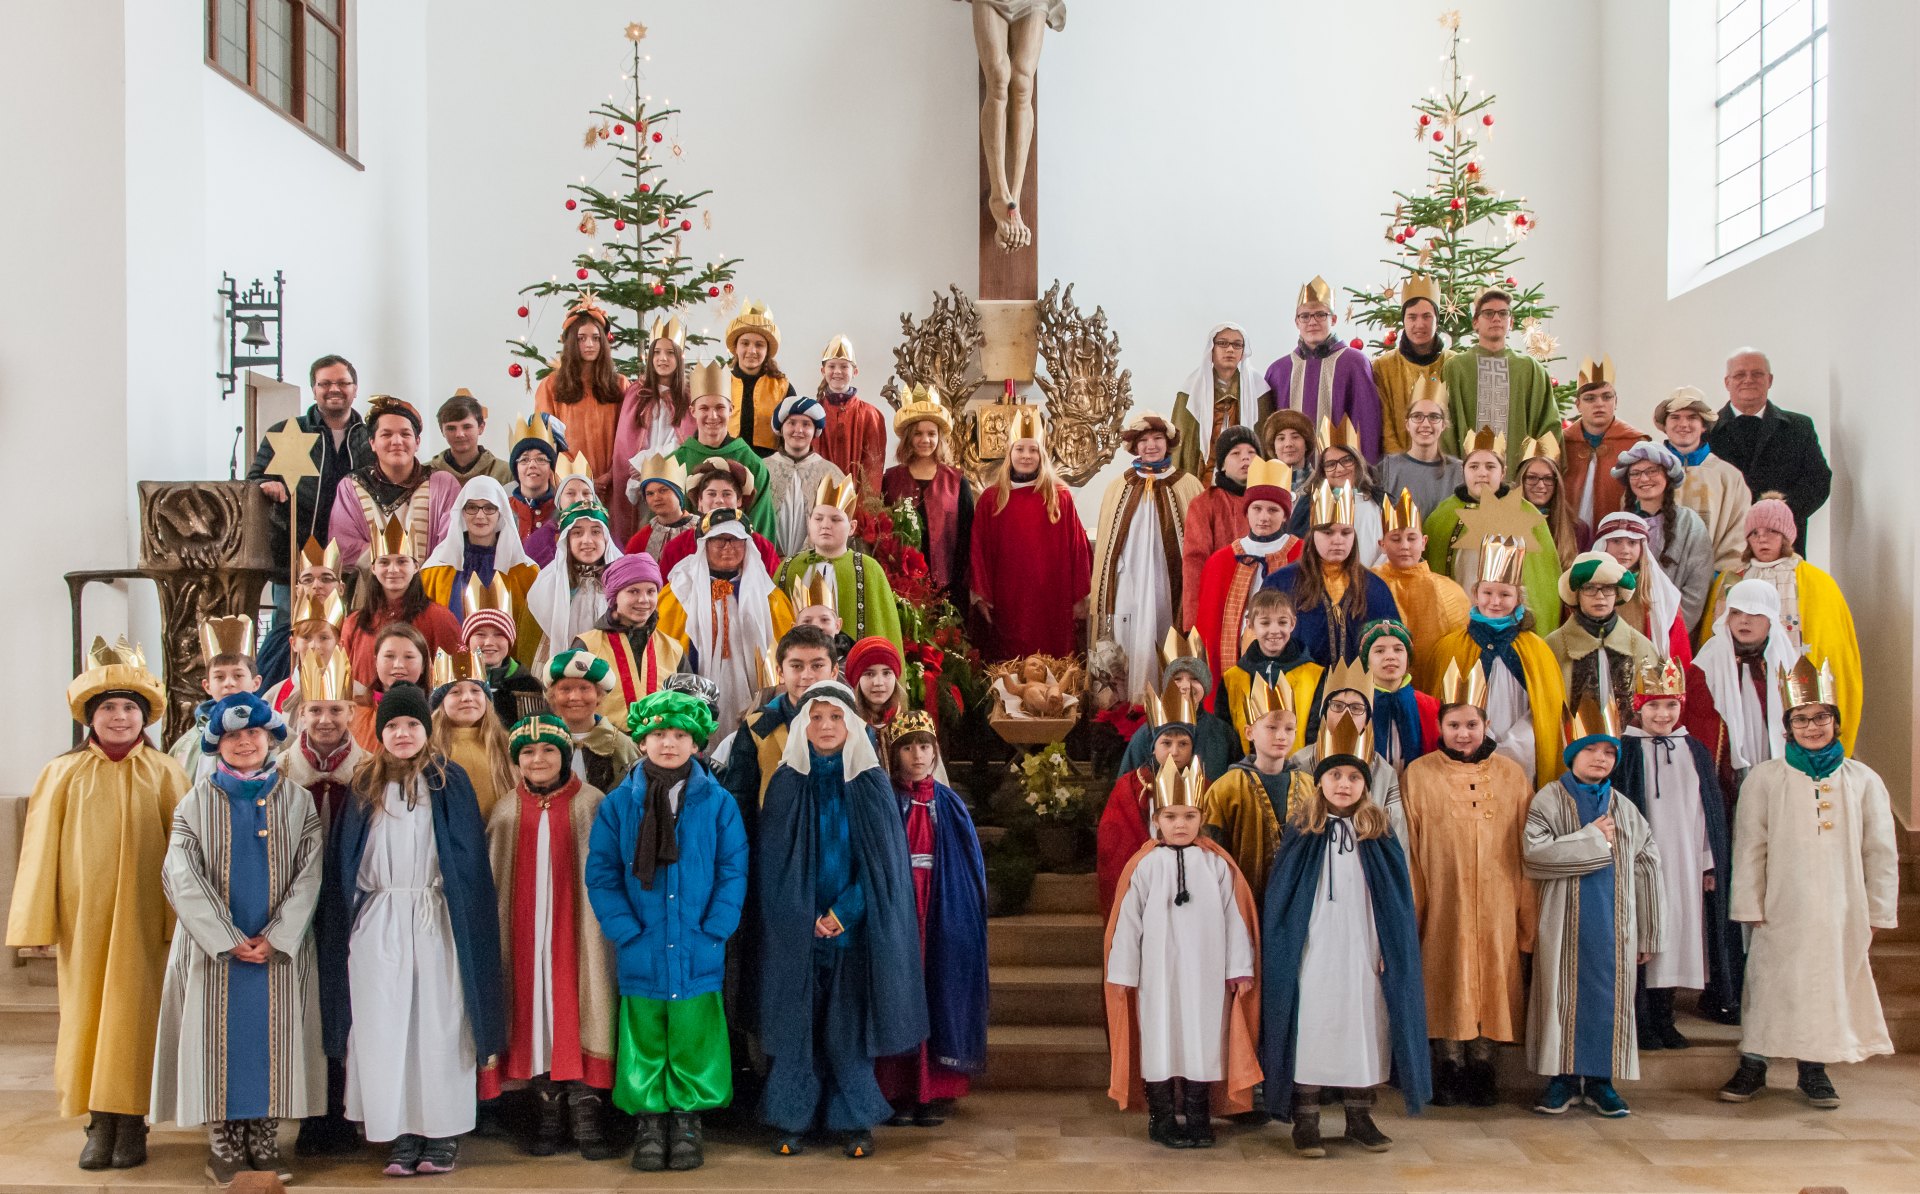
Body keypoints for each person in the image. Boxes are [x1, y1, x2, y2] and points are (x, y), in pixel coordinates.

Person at [8, 637, 187, 1170]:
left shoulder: (165, 774)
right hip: (82, 919)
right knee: (85, 1016)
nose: (119, 716)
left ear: (143, 717)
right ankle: (96, 1122)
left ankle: (132, 1122)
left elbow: (187, 853)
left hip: (143, 919)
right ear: (90, 715)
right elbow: (39, 852)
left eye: (129, 707)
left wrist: (183, 923)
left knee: (135, 1018)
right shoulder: (61, 773)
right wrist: (36, 923)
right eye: (107, 707)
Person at [327, 681, 503, 1176]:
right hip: (379, 919)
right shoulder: (363, 784)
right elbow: (347, 861)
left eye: (411, 725)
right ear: (380, 732)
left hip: (436, 917)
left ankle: (441, 1130)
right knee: (383, 1025)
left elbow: (467, 861)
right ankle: (399, 1129)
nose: (402, 734)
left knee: (439, 1022)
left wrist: (459, 913)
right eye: (393, 726)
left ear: (426, 730)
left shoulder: (451, 781)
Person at [151, 691, 321, 1188]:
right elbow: (181, 875)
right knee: (216, 1042)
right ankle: (224, 1141)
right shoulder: (195, 801)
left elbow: (310, 873)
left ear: (270, 738)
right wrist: (225, 937)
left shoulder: (298, 800)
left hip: (276, 950)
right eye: (233, 736)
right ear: (217, 744)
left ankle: (264, 1137)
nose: (245, 743)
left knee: (272, 1042)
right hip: (214, 954)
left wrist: (277, 934)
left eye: (254, 733)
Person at [1718, 656, 1899, 1109]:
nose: (1812, 727)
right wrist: (1749, 904)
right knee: (1769, 982)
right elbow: (1750, 845)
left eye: (1821, 718)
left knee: (1827, 984)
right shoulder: (1766, 778)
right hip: (1781, 904)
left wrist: (1878, 910)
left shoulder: (1863, 781)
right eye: (1802, 719)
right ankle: (1753, 1063)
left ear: (1835, 723)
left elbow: (1880, 850)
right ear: (1787, 728)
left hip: (1842, 906)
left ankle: (1814, 1069)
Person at [755, 681, 927, 1159]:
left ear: (852, 724)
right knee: (798, 1023)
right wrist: (804, 913)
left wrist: (843, 913)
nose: (826, 726)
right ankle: (793, 1117)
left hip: (853, 931)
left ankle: (852, 1119)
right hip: (798, 930)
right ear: (801, 725)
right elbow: (775, 862)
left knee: (847, 1027)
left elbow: (884, 863)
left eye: (836, 717)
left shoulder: (869, 782)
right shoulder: (788, 781)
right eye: (816, 717)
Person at [586, 693, 746, 1171]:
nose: (669, 743)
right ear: (641, 741)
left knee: (694, 1032)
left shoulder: (717, 803)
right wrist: (624, 929)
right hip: (643, 942)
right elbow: (603, 872)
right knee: (646, 1033)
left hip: (698, 941)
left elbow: (732, 867)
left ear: (697, 743)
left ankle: (688, 1117)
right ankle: (650, 1121)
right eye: (658, 734)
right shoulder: (620, 805)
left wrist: (718, 926)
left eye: (679, 735)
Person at [1261, 710, 1430, 1157]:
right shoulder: (1303, 830)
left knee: (1363, 1027)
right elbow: (1284, 898)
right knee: (1313, 1026)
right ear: (1319, 781)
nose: (1343, 784)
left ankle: (1359, 1114)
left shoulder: (1379, 832)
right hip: (1314, 949)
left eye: (1353, 777)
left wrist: (1388, 948)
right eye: (1335, 775)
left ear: (1365, 784)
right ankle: (1307, 1118)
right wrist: (1289, 944)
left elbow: (1393, 901)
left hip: (1363, 949)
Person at [1103, 758, 1260, 1149]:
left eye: (1189, 816)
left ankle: (1197, 1114)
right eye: (1170, 816)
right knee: (1160, 1039)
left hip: (1206, 974)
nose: (1180, 824)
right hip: (1157, 975)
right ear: (1157, 818)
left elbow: (1234, 915)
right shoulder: (1144, 866)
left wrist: (1239, 967)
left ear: (1200, 817)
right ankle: (1161, 1118)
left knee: (1204, 1040)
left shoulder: (1217, 865)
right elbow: (1129, 921)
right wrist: (1123, 973)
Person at [483, 714, 620, 1161]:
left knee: (582, 1005)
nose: (538, 759)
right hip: (523, 933)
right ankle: (547, 1112)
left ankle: (586, 1112)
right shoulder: (505, 810)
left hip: (578, 931)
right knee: (534, 1011)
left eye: (548, 751)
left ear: (564, 756)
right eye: (527, 752)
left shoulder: (592, 803)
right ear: (517, 760)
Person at [1399, 662, 1535, 1107]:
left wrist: (1524, 911)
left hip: (1498, 895)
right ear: (1440, 725)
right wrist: (1415, 906)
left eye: (1471, 724)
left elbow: (1525, 846)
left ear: (1486, 724)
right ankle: (1449, 1064)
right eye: (1454, 724)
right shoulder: (1419, 775)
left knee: (1493, 978)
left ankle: (1483, 1065)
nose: (1463, 733)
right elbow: (1412, 846)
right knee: (1445, 973)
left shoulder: (1513, 777)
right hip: (1443, 894)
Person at [1522, 696, 1665, 1118]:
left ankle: (1602, 1082)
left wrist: (1651, 932)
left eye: (1608, 752)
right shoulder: (1548, 799)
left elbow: (1648, 865)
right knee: (1560, 997)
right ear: (1572, 754)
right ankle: (1561, 1079)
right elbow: (1534, 855)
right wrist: (1590, 838)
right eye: (1591, 749)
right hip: (1564, 922)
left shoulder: (1625, 808)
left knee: (1609, 998)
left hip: (1615, 924)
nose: (1601, 759)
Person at [875, 711, 990, 1127]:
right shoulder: (886, 800)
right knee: (898, 994)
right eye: (907, 746)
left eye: (924, 746)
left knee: (937, 992)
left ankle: (931, 1091)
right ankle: (897, 1089)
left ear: (935, 751)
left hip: (941, 912)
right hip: (900, 911)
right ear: (895, 754)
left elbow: (969, 868)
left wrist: (964, 919)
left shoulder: (950, 803)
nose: (917, 755)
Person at [1614, 659, 1735, 1052]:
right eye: (1653, 706)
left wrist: (1707, 862)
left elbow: (1707, 812)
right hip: (1641, 864)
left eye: (1670, 706)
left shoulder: (1693, 750)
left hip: (1683, 861)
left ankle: (1665, 1018)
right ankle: (1640, 1020)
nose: (1662, 715)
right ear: (1638, 706)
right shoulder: (1623, 753)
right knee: (1643, 935)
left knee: (1677, 936)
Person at [280, 646, 366, 1157]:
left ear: (352, 714)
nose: (327, 718)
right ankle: (312, 1111)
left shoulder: (371, 771)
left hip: (354, 907)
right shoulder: (280, 772)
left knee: (348, 1005)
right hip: (298, 908)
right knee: (305, 1006)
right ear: (300, 715)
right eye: (316, 709)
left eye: (336, 708)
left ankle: (347, 1109)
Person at [1700, 500, 1862, 752]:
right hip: (1742, 685)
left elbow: (1833, 648)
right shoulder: (1730, 579)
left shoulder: (1817, 582)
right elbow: (1712, 637)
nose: (1762, 540)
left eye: (1771, 532)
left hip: (1797, 688)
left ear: (1787, 536)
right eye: (1755, 533)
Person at [1427, 536, 1567, 787]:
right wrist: (1477, 738)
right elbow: (1441, 706)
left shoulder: (1537, 650)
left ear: (1518, 598)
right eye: (1488, 592)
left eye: (1505, 594)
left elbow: (1546, 712)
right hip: (1466, 752)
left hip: (1525, 755)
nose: (1495, 601)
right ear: (1475, 593)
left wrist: (1515, 744)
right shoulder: (1451, 647)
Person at [1091, 414, 1205, 695]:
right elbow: (1107, 546)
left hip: (1168, 582)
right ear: (1134, 447)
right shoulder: (1119, 486)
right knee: (1126, 637)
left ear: (1168, 444)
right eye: (1144, 441)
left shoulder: (1188, 485)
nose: (1151, 446)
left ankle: (1170, 700)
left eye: (1157, 439)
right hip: (1127, 579)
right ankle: (1126, 705)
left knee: (1166, 630)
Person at [658, 510, 797, 735]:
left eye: (735, 540)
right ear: (705, 544)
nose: (728, 547)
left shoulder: (769, 596)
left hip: (753, 689)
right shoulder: (678, 592)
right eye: (719, 540)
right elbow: (663, 650)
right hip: (696, 688)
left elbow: (786, 650)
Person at [968, 409, 1092, 660]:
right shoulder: (992, 499)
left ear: (1042, 455)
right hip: (1008, 600)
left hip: (1052, 601)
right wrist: (981, 593)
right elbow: (978, 548)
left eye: (1033, 450)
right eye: (1020, 449)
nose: (1026, 456)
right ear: (1009, 454)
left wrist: (1080, 596)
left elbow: (1078, 548)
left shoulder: (1060, 497)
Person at [1422, 430, 1563, 632]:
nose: (1482, 473)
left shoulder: (1525, 513)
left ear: (1503, 472)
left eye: (1490, 466)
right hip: (1460, 624)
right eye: (1474, 466)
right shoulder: (1441, 516)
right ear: (1463, 470)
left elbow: (1543, 582)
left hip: (1510, 624)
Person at [249, 354, 371, 576]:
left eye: (343, 383)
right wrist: (266, 484)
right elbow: (253, 481)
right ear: (314, 390)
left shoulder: (372, 438)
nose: (334, 389)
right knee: (292, 613)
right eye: (325, 383)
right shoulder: (285, 433)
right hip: (294, 558)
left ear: (355, 389)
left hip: (356, 561)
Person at [1706, 348, 1831, 554]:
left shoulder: (1799, 427)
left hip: (1784, 544)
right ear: (1727, 382)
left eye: (1757, 374)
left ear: (1770, 380)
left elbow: (1818, 480)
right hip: (1723, 543)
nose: (1748, 380)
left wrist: (1777, 518)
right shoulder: (1706, 430)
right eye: (1739, 375)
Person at [1263, 481, 1400, 666]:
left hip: (1361, 691)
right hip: (1301, 688)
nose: (1338, 540)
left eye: (1346, 533)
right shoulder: (1281, 584)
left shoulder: (1375, 587)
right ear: (1312, 536)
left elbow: (1394, 647)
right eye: (1328, 532)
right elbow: (1262, 647)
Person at [1201, 673, 1312, 895]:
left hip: (1296, 897)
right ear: (1249, 732)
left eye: (1289, 729)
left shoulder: (1310, 787)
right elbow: (1211, 851)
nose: (1281, 736)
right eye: (1271, 727)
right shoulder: (1226, 789)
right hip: (1241, 897)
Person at [1193, 458, 1299, 689]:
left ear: (1285, 515)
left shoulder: (1301, 555)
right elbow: (1208, 628)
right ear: (1246, 512)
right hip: (1236, 659)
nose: (1264, 517)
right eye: (1257, 508)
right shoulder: (1220, 561)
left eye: (1273, 510)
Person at [1098, 687, 1203, 917]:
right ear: (1153, 746)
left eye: (1183, 744)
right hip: (1145, 883)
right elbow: (1115, 841)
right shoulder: (1131, 786)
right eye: (1166, 743)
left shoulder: (1204, 787)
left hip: (1194, 883)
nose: (1174, 751)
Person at [328, 394, 460, 570]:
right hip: (370, 591)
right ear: (372, 443)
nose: (397, 441)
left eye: (405, 434)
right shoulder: (352, 486)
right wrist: (392, 572)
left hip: (428, 590)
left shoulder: (443, 484)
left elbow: (452, 542)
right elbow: (343, 547)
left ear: (417, 442)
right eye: (386, 434)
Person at [1439, 288, 1561, 472]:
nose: (1496, 318)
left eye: (1503, 313)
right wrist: (1454, 472)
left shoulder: (1530, 369)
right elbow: (1444, 425)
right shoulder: (1456, 368)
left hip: (1518, 479)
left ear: (1510, 322)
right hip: (1466, 479)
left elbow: (1549, 427)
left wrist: (1535, 476)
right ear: (1475, 323)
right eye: (1488, 313)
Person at [1693, 579, 1802, 782]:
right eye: (1735, 612)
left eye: (1754, 613)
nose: (1743, 620)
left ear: (1771, 618)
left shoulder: (1785, 662)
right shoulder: (1707, 664)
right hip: (1724, 774)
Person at [1262, 275, 1383, 460]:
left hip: (1341, 473)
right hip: (1288, 478)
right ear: (1297, 322)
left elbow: (1367, 423)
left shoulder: (1353, 363)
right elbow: (1268, 432)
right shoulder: (1279, 371)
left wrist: (1364, 476)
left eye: (1320, 314)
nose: (1312, 322)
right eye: (1305, 316)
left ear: (1333, 319)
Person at [420, 475, 540, 658]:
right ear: (462, 511)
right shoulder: (436, 570)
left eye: (489, 508)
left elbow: (530, 634)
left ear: (501, 512)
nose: (480, 515)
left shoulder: (525, 571)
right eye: (472, 507)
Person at [1283, 659, 1406, 837]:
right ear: (1324, 712)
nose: (1346, 713)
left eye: (1356, 708)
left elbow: (1396, 835)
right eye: (1337, 706)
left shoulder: (1383, 772)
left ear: (1367, 718)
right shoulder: (1298, 763)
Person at [339, 514, 463, 687]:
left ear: (416, 566)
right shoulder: (354, 623)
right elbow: (344, 681)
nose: (393, 569)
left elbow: (455, 679)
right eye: (384, 562)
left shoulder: (439, 618)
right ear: (373, 568)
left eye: (402, 561)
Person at [882, 390, 975, 611]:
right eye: (918, 434)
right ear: (908, 438)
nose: (925, 440)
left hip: (948, 585)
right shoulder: (891, 479)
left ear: (939, 438)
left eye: (931, 434)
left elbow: (967, 535)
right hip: (902, 584)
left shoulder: (957, 482)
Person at [1545, 552, 1660, 730]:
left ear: (1617, 592)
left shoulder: (1641, 647)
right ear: (1577, 593)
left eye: (1607, 588)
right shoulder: (1554, 647)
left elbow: (1654, 708)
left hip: (1629, 751)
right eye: (1589, 588)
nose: (1600, 597)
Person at [612, 316, 697, 546]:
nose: (663, 358)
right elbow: (624, 442)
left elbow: (685, 441)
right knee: (642, 531)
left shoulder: (687, 396)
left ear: (679, 357)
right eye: (657, 352)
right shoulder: (636, 393)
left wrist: (659, 467)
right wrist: (641, 468)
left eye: (670, 353)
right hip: (639, 477)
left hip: (674, 476)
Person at [1370, 489, 1470, 686]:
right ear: (1382, 544)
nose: (1405, 546)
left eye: (1412, 538)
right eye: (1396, 539)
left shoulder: (1449, 591)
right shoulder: (1369, 583)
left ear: (1424, 542)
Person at [572, 552, 686, 722]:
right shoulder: (588, 645)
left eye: (651, 591)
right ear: (614, 597)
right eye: (633, 591)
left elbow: (687, 705)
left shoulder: (673, 649)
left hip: (660, 745)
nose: (643, 599)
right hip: (601, 745)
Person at [535, 295, 628, 504]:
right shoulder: (551, 386)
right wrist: (579, 479)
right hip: (570, 485)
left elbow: (628, 438)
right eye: (581, 338)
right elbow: (547, 443)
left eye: (596, 338)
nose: (589, 344)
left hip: (612, 485)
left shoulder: (620, 384)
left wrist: (612, 474)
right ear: (571, 342)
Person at [1114, 633, 1241, 783]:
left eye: (1195, 679)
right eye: (1177, 679)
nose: (1186, 686)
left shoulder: (1223, 733)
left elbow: (1236, 785)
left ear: (1205, 685)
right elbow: (1125, 788)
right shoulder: (1147, 734)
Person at [1613, 441, 1713, 630]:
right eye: (1635, 473)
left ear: (1667, 475)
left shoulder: (1690, 524)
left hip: (1673, 630)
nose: (1644, 479)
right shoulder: (1618, 525)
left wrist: (1670, 630)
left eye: (1652, 471)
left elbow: (1696, 589)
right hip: (1625, 630)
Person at [674, 359, 777, 536]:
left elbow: (761, 525)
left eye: (720, 407)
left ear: (731, 409)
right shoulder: (676, 462)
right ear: (693, 411)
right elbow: (669, 520)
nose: (712, 416)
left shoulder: (753, 463)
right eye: (704, 408)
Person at [1655, 386, 1750, 575]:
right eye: (1675, 417)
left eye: (1692, 417)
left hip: (1712, 579)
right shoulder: (1648, 473)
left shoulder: (1728, 476)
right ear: (1664, 425)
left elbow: (1738, 533)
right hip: (1658, 581)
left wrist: (1716, 576)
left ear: (1704, 425)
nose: (1683, 424)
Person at [1211, 589, 1322, 753]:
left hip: (1298, 771)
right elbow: (1226, 732)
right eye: (1265, 623)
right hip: (1247, 770)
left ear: (1293, 624)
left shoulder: (1313, 675)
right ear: (1250, 625)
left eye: (1282, 622)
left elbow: (1316, 729)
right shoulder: (1232, 678)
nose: (1275, 630)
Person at [1180, 426, 1264, 631]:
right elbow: (1195, 562)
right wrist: (1194, 621)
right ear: (1223, 465)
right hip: (1221, 604)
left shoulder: (1270, 501)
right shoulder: (1204, 504)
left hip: (1263, 605)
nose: (1246, 459)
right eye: (1235, 453)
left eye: (1251, 453)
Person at [167, 616, 263, 784]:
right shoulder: (190, 743)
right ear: (207, 686)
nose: (229, 683)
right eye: (219, 677)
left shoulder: (274, 731)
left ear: (256, 683)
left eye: (238, 675)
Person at [1282, 417, 1387, 567]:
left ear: (1358, 462)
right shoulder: (1309, 504)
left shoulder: (1378, 501)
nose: (1339, 469)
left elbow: (1390, 546)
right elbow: (1298, 549)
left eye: (1346, 460)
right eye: (1331, 464)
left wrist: (1373, 577)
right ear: (1323, 471)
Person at [1171, 323, 1270, 478]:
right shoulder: (1191, 389)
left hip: (1246, 478)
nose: (1230, 349)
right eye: (1222, 343)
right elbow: (1181, 445)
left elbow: (1266, 444)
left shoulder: (1258, 388)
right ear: (1212, 348)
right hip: (1202, 476)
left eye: (1237, 344)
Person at [528, 501, 622, 664]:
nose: (587, 540)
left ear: (606, 538)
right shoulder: (548, 582)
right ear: (567, 540)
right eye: (577, 533)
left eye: (595, 532)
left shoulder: (622, 580)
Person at [1371, 276, 1455, 458]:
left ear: (1437, 320)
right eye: (1412, 317)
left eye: (1427, 316)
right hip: (1398, 466)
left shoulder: (1453, 364)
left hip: (1446, 466)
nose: (1420, 324)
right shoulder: (1383, 366)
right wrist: (1401, 463)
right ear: (1404, 320)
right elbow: (1384, 424)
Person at [1593, 512, 1692, 665]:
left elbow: (1678, 649)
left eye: (1632, 543)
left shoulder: (1662, 593)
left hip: (1645, 675)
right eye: (1617, 541)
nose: (1625, 549)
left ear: (1642, 547)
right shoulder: (1587, 588)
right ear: (1603, 544)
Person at [657, 457, 783, 577]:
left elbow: (775, 592)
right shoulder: (678, 547)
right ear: (700, 502)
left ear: (739, 501)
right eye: (711, 494)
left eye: (727, 494)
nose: (719, 500)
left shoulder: (760, 547)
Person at [1560, 356, 1647, 528]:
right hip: (1568, 536)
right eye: (1590, 398)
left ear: (1616, 401)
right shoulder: (1563, 443)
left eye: (1606, 397)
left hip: (1617, 536)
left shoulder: (1635, 444)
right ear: (1578, 405)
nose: (1599, 404)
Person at [764, 393, 851, 558]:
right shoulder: (763, 468)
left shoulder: (831, 473)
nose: (799, 430)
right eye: (791, 423)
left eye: (806, 424)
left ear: (815, 431)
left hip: (814, 561)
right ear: (781, 429)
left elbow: (840, 525)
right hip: (769, 561)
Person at [428, 651, 514, 818]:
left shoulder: (504, 744)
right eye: (455, 692)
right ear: (441, 703)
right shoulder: (430, 749)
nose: (467, 698)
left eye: (475, 690)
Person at [541, 650, 641, 793]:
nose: (574, 697)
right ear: (553, 696)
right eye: (565, 689)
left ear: (599, 695)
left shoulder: (622, 747)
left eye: (584, 688)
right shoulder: (539, 741)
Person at [258, 540, 347, 696]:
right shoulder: (277, 639)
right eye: (307, 580)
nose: (316, 585)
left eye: (326, 579)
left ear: (341, 588)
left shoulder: (357, 631)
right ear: (297, 589)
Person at [458, 576, 544, 725]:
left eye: (499, 634)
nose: (489, 642)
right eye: (480, 634)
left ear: (509, 641)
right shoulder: (452, 684)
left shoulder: (528, 686)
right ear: (467, 640)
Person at [1377, 384, 1464, 519]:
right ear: (1407, 424)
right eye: (1417, 416)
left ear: (1443, 425)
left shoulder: (1460, 470)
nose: (1425, 424)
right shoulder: (1387, 468)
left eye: (1434, 417)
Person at [1360, 619, 1437, 770]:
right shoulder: (1357, 707)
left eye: (1398, 649)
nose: (1390, 656)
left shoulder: (1430, 707)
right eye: (1379, 650)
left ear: (1408, 659)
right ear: (1367, 662)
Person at [816, 335, 885, 494]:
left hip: (857, 503)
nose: (837, 371)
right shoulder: (814, 414)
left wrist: (862, 508)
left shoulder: (871, 415)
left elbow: (873, 467)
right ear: (823, 371)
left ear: (855, 371)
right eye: (831, 366)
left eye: (844, 366)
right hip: (820, 501)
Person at [1516, 438, 1590, 568]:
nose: (1540, 485)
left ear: (1557, 484)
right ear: (1521, 480)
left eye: (1548, 478)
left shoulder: (1577, 529)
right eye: (1532, 477)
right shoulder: (1504, 522)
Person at [507, 411, 568, 551]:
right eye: (524, 459)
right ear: (516, 468)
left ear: (551, 468)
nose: (532, 465)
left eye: (541, 459)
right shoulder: (502, 509)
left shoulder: (563, 509)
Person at [427, 389, 514, 487]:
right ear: (442, 431)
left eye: (467, 427)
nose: (459, 434)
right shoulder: (426, 473)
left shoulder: (506, 473)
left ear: (481, 427)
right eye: (451, 428)